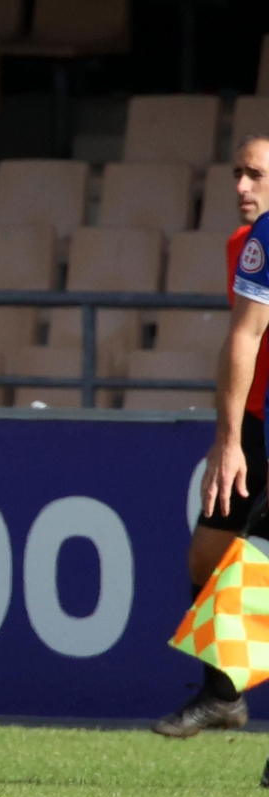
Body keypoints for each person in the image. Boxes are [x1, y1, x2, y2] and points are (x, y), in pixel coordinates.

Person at [178, 135, 269, 737]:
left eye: (254, 173)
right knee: (211, 556)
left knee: (257, 565)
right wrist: (231, 436)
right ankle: (223, 693)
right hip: (257, 426)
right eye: (235, 172)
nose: (241, 185)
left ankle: (222, 691)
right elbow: (246, 338)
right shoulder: (248, 243)